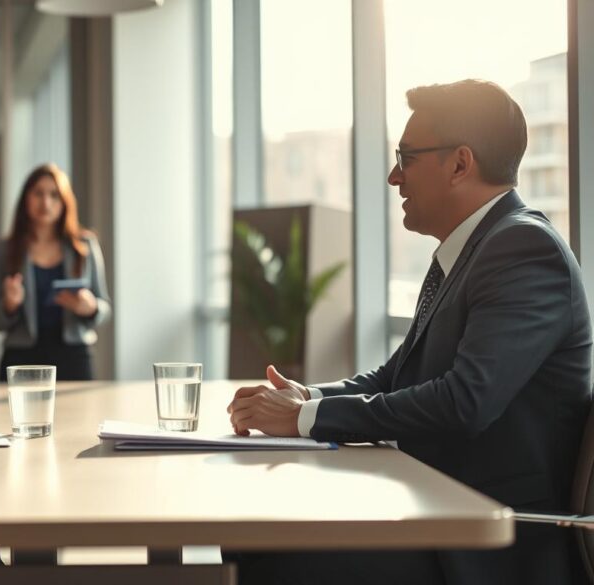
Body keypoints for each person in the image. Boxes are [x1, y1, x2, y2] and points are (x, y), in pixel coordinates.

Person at [226, 80, 592, 585]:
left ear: (461, 164)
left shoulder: (524, 250)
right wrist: (305, 397)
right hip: (438, 508)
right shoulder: (469, 251)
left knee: (268, 554)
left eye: (407, 157)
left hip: (489, 544)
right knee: (254, 535)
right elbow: (394, 376)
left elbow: (465, 402)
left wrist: (307, 417)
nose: (394, 176)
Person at [0, 163, 111, 381]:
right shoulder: (3, 250)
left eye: (54, 195)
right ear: (26, 199)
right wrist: (9, 305)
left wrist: (89, 308)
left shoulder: (84, 246)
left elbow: (104, 308)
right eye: (38, 194)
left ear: (65, 202)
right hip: (21, 358)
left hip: (74, 357)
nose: (46, 202)